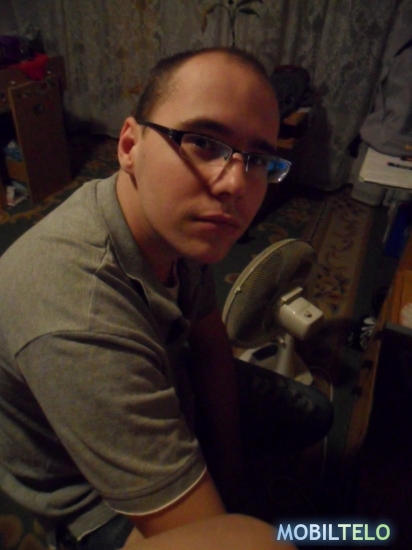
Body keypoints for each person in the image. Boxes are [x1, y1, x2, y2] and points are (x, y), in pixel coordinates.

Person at [0, 47, 332, 550]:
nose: (235, 185)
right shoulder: (77, 315)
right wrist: (231, 521)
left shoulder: (177, 221)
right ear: (129, 146)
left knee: (315, 413)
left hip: (164, 373)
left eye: (259, 160)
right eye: (203, 142)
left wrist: (228, 473)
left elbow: (210, 342)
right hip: (86, 491)